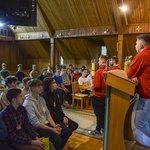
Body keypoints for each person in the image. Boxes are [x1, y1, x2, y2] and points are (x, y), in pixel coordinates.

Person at [23, 79, 71, 150]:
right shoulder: (28, 103)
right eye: (38, 86)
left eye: (41, 86)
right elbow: (35, 123)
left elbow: (47, 114)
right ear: (32, 88)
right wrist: (52, 129)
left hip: (46, 123)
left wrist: (54, 126)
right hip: (37, 128)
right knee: (57, 139)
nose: (41, 88)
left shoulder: (41, 99)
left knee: (67, 132)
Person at [127, 34, 150, 138]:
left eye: (136, 43)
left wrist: (134, 76)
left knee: (140, 124)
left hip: (147, 97)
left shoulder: (142, 55)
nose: (135, 46)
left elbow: (128, 75)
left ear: (141, 45)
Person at [92, 55, 107, 135]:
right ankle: (103, 128)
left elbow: (97, 85)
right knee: (103, 113)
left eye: (99, 60)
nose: (98, 62)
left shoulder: (99, 71)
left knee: (98, 114)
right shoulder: (107, 70)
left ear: (102, 60)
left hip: (98, 96)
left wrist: (92, 86)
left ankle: (97, 130)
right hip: (104, 96)